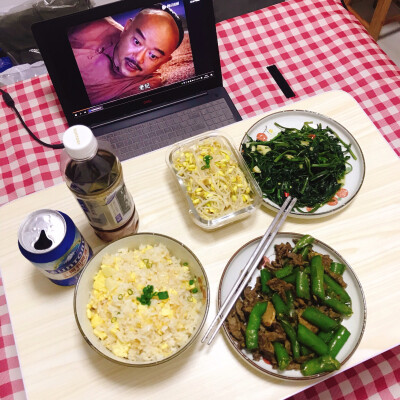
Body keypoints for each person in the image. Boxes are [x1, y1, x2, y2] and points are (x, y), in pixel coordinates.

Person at [68, 5, 184, 105]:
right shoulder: (90, 26)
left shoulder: (146, 85)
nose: (138, 58)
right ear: (127, 27)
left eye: (153, 56)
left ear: (164, 62)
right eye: (137, 42)